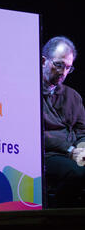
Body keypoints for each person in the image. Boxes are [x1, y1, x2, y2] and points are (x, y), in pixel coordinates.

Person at [42, 36, 85, 207]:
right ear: (43, 61)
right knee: (76, 174)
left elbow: (82, 131)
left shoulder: (72, 96)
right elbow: (35, 134)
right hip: (46, 155)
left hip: (72, 153)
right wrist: (69, 150)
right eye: (59, 65)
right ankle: (54, 217)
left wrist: (82, 150)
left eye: (68, 67)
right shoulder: (27, 89)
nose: (63, 72)